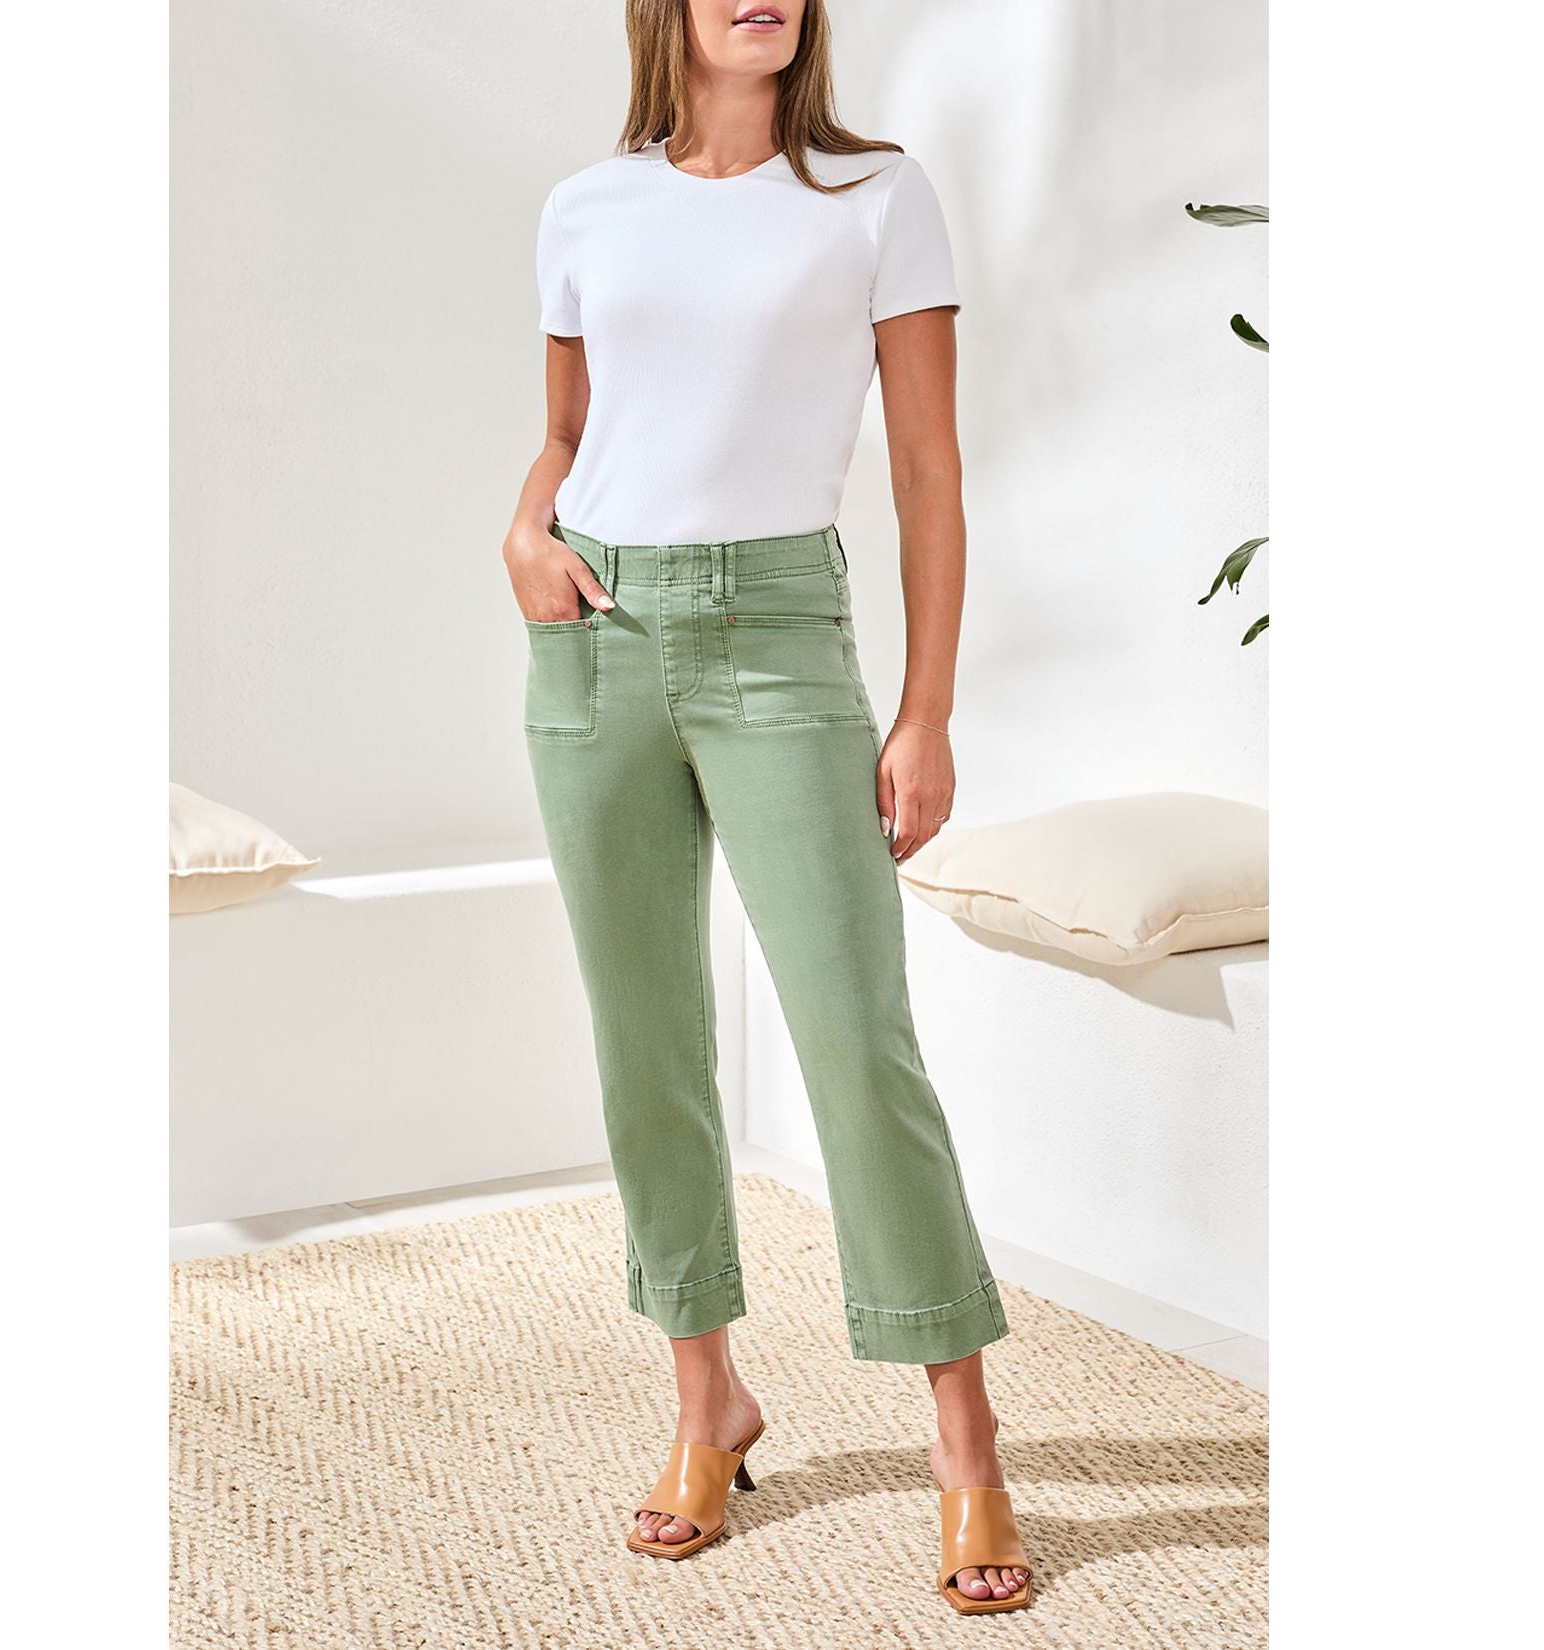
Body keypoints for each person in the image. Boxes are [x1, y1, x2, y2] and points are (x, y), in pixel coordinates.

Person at [502, 0, 1032, 1614]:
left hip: (780, 633)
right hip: (595, 638)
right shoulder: (586, 205)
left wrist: (925, 707)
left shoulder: (873, 196)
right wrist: (523, 531)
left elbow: (927, 471)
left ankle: (964, 1439)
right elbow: (568, 437)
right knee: (645, 1041)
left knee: (855, 1034)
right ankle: (705, 1402)